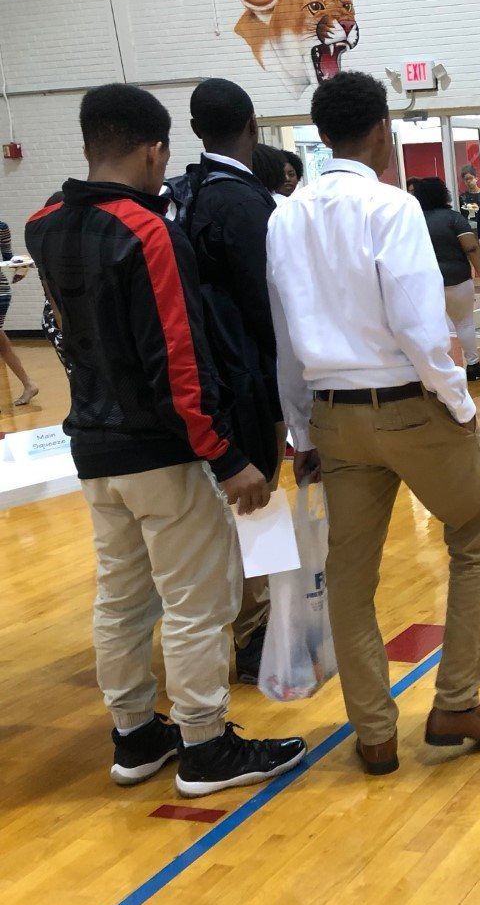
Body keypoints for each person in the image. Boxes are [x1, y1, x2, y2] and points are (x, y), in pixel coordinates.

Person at [26, 83, 305, 796]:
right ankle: (205, 745)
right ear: (154, 151)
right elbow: (180, 365)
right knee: (197, 604)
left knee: (120, 599)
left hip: (93, 445)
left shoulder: (44, 223)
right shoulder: (150, 234)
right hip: (163, 452)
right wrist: (228, 457)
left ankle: (135, 735)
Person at [266, 72, 480, 778]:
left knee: (350, 576)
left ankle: (375, 734)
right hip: (410, 404)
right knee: (473, 534)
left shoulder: (284, 216)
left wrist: (301, 432)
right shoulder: (392, 205)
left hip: (333, 415)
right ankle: (456, 703)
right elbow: (419, 326)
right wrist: (459, 402)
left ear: (322, 136)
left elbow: (284, 338)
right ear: (384, 130)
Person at [182, 79, 288, 686]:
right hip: (245, 379)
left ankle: (248, 625)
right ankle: (255, 634)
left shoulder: (184, 193)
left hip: (200, 377)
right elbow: (269, 308)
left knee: (223, 513)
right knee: (255, 503)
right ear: (252, 124)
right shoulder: (245, 204)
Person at [413, 176, 480, 382]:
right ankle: (473, 365)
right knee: (464, 323)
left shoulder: (414, 220)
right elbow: (471, 247)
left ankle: (439, 370)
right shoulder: (454, 218)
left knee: (433, 326)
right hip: (458, 279)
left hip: (427, 281)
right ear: (443, 194)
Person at [0, 218, 39, 407]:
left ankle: (29, 384)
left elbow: (8, 258)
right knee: (1, 342)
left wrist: (22, 266)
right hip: (2, 290)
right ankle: (29, 384)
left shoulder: (1, 227)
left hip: (0, 291)